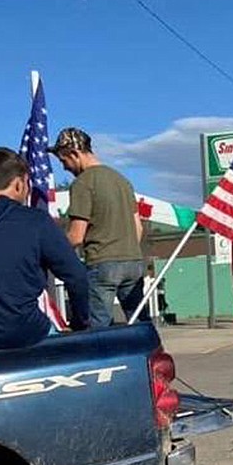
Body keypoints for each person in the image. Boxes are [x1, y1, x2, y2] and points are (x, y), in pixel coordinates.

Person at [0, 147, 89, 349]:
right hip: (25, 333)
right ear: (20, 183)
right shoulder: (36, 222)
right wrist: (80, 324)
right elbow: (76, 276)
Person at [48, 127, 146, 327]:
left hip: (102, 263)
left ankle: (107, 358)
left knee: (98, 328)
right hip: (133, 261)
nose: (64, 167)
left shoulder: (83, 183)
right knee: (140, 322)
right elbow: (139, 228)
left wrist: (51, 254)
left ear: (74, 154)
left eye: (63, 160)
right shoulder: (122, 181)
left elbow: (76, 236)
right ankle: (151, 355)